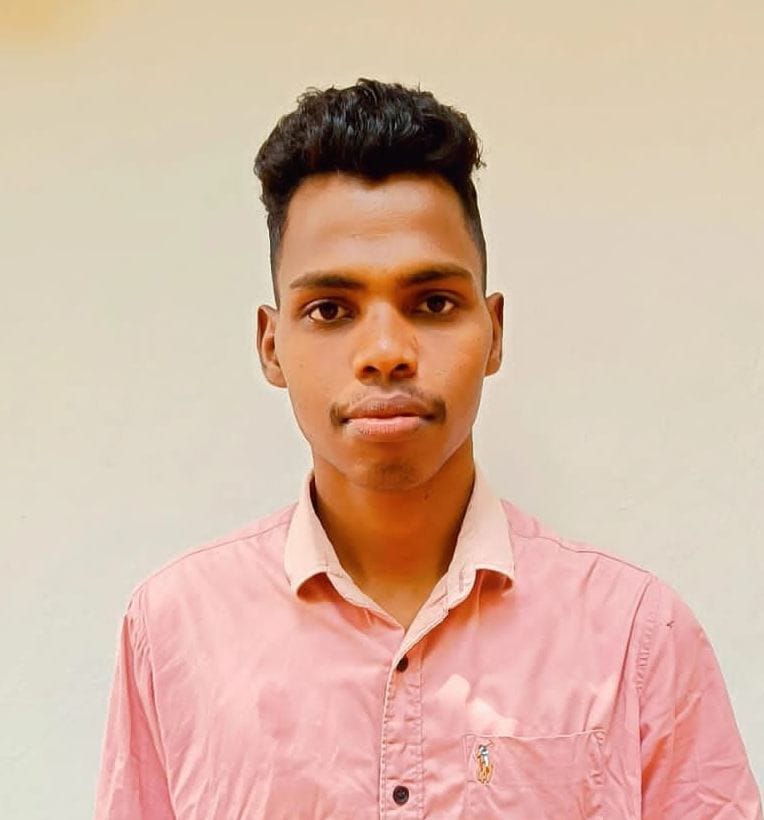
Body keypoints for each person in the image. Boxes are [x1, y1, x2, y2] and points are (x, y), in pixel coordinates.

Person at [94, 79, 762, 819]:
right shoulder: (174, 629)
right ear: (271, 344)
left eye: (434, 303)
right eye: (331, 310)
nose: (385, 351)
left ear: (493, 332)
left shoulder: (636, 634)